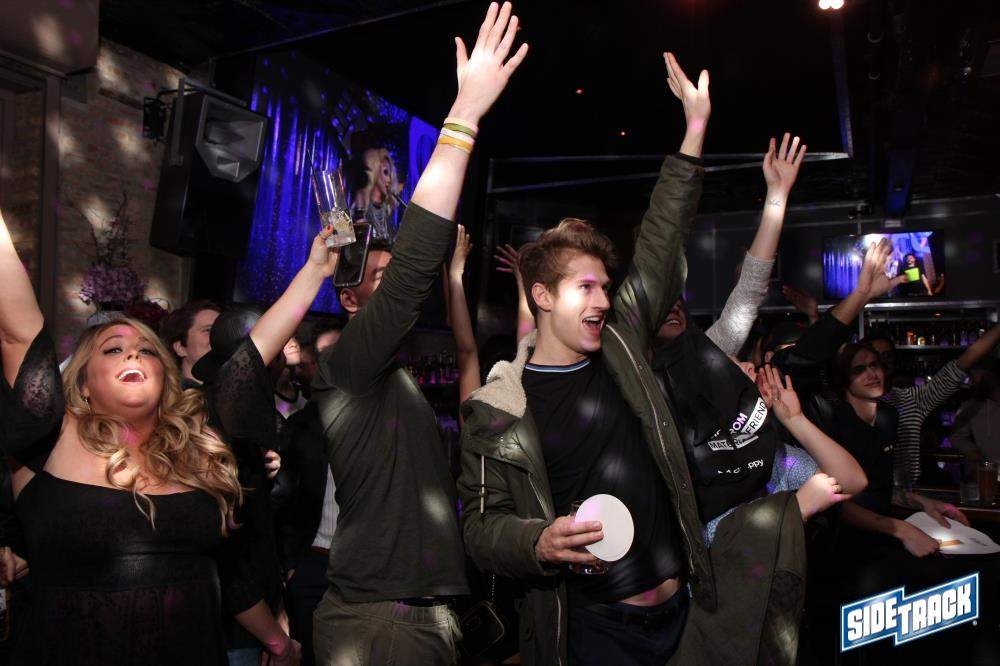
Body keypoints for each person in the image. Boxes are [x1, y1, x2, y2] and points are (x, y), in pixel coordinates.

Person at [310, 4, 529, 664]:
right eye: (377, 277)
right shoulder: (348, 367)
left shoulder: (388, 376)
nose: (398, 285)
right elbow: (413, 268)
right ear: (349, 299)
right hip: (383, 622)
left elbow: (467, 352)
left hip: (416, 615)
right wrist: (463, 118)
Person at [0, 207, 243, 664]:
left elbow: (255, 354)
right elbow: (17, 332)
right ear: (83, 383)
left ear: (165, 377)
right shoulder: (50, 436)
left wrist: (315, 269)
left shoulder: (194, 447)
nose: (133, 353)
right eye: (113, 349)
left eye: (147, 350)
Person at [279, 328, 343, 666]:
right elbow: (282, 500)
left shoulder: (387, 420)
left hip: (371, 568)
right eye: (327, 355)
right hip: (315, 564)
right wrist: (291, 566)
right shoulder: (303, 424)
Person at [158, 299, 222, 387]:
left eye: (222, 330)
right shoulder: (168, 393)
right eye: (208, 330)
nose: (219, 336)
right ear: (180, 348)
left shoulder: (231, 389)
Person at [950, 357, 1000, 463]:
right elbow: (956, 436)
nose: (971, 383)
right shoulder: (971, 407)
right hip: (987, 470)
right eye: (972, 378)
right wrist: (974, 453)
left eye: (975, 378)